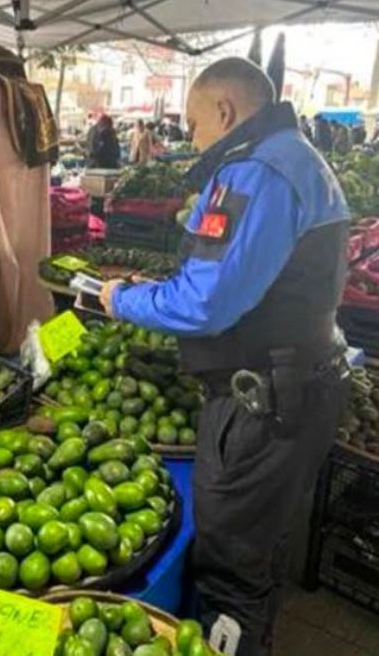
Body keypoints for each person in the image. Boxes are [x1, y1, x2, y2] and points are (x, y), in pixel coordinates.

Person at [100, 57, 349, 656]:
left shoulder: (256, 171)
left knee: (230, 562)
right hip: (301, 385)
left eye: (194, 123)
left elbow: (205, 303)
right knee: (260, 545)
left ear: (226, 111)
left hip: (265, 403)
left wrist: (123, 299)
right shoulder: (301, 157)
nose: (192, 137)